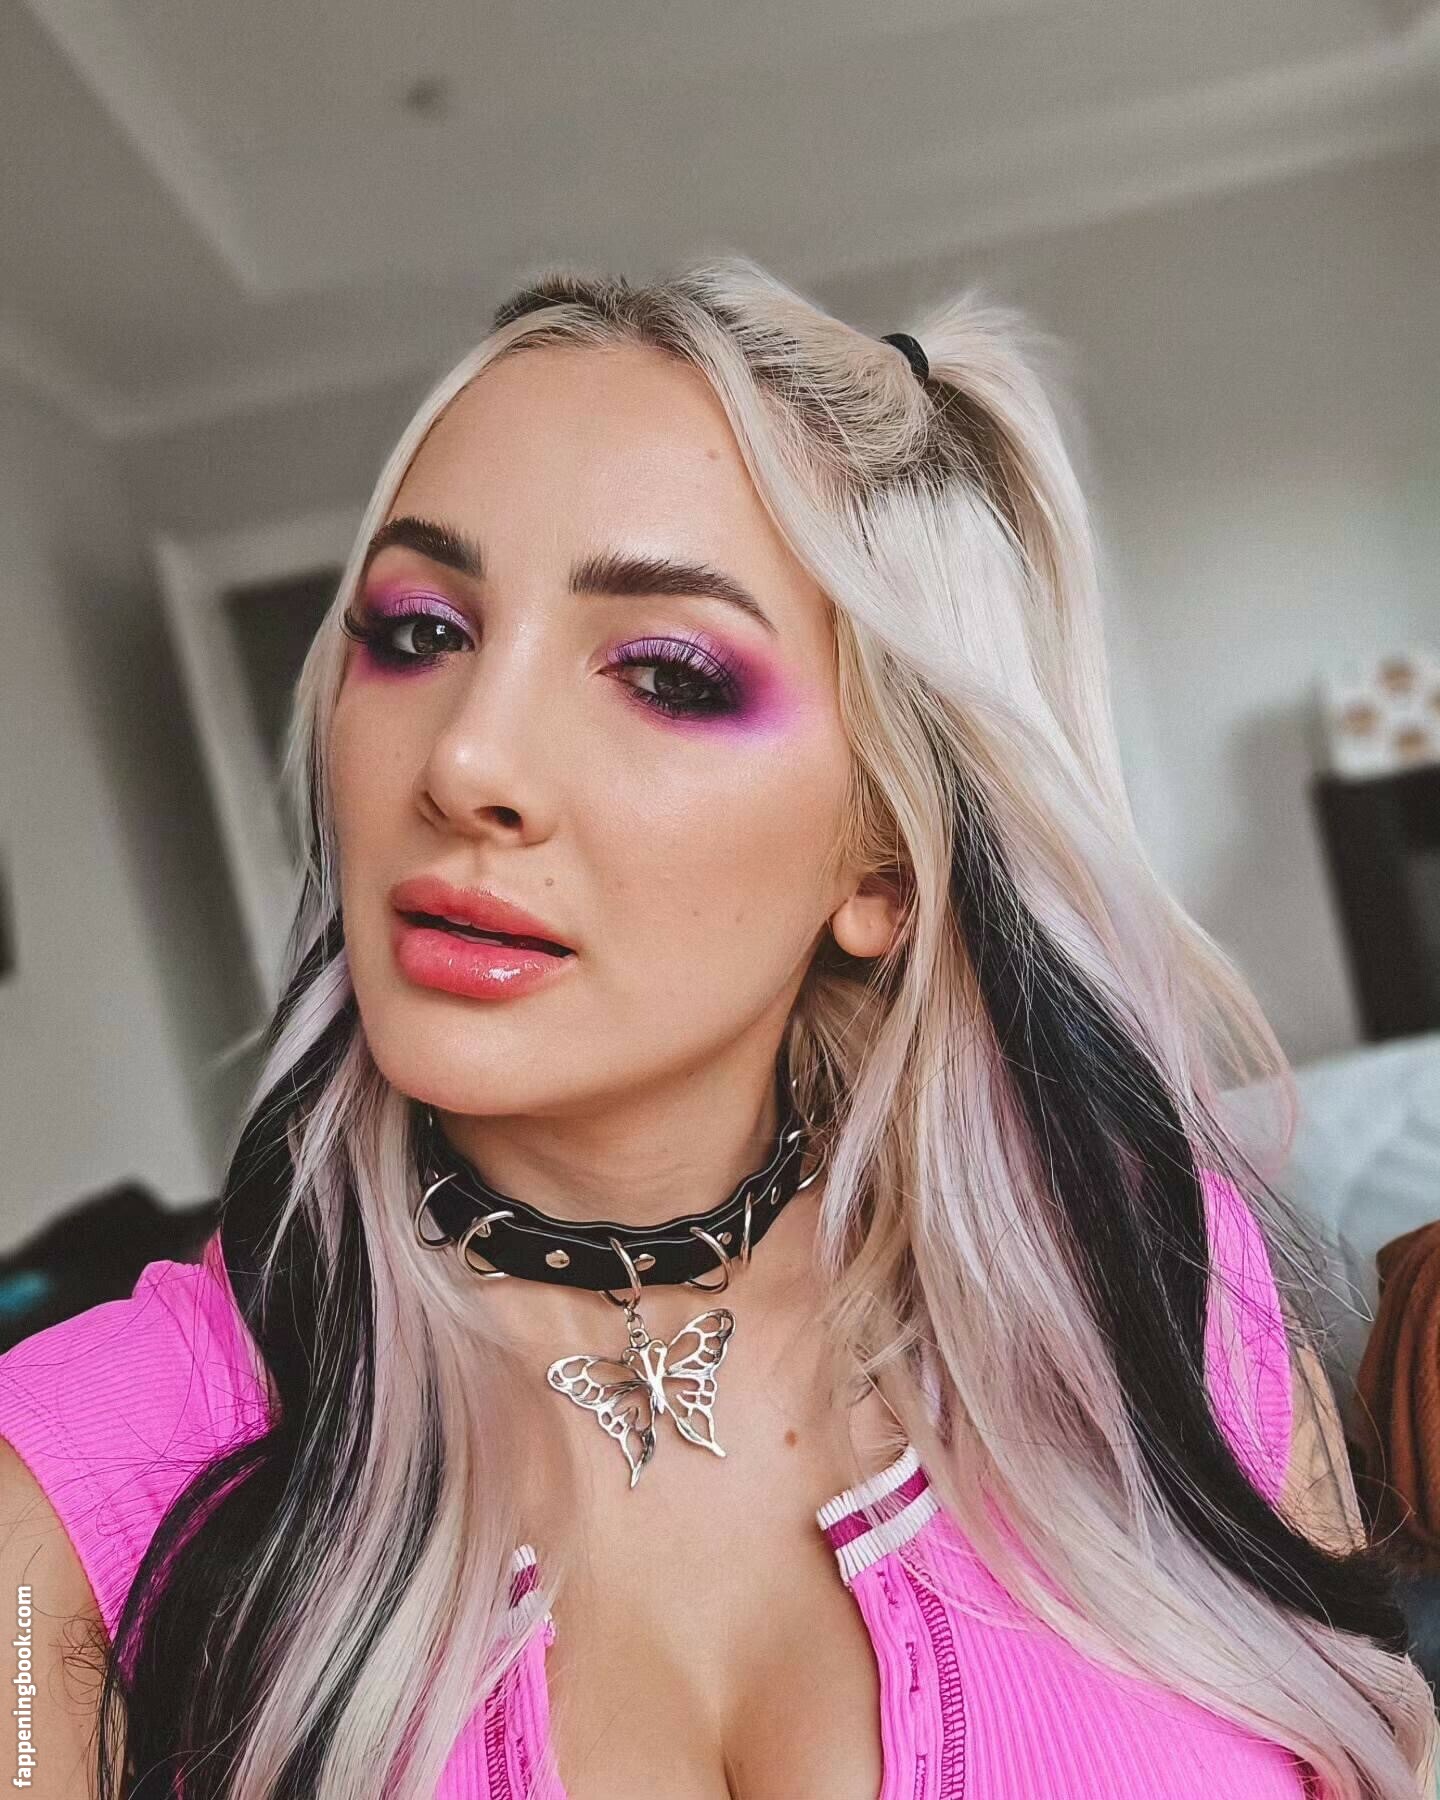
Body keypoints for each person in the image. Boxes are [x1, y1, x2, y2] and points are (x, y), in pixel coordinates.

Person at [0, 256, 1432, 1800]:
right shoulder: (68, 1489)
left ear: (883, 868)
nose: (466, 759)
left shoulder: (1164, 1296)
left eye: (667, 674)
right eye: (418, 633)